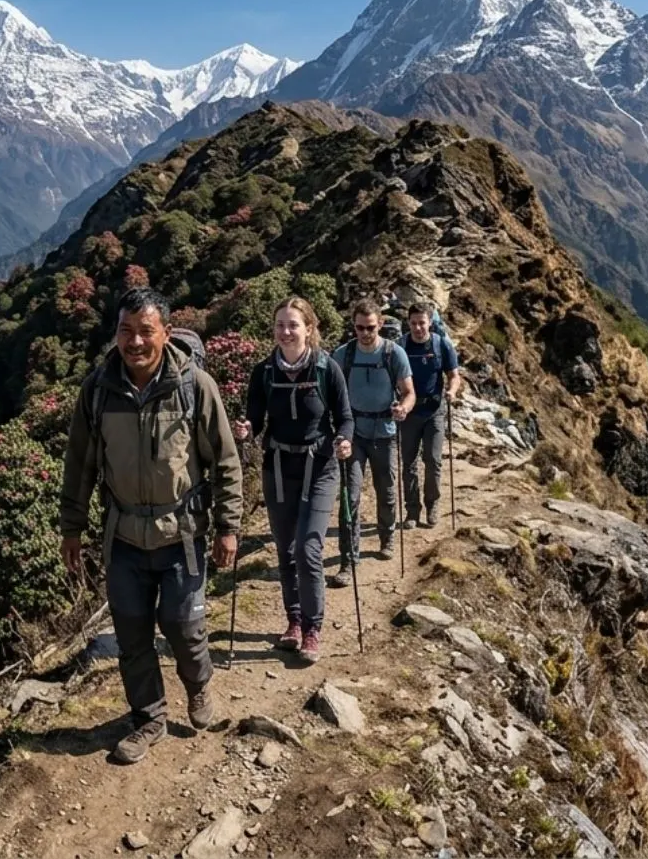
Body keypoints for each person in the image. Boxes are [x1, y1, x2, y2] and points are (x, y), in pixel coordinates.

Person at [58, 287, 243, 766]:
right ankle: (149, 718)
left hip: (180, 534)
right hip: (122, 536)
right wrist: (71, 528)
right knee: (133, 633)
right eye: (125, 331)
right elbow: (79, 464)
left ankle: (198, 685)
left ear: (165, 331)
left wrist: (228, 527)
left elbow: (225, 460)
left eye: (145, 331)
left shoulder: (194, 386)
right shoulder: (99, 390)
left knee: (183, 625)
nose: (134, 342)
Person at [233, 296, 352, 664]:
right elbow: (254, 417)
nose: (286, 332)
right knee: (285, 548)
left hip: (320, 466)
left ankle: (313, 628)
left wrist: (344, 440)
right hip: (278, 466)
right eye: (280, 325)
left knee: (308, 548)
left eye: (293, 325)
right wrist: (245, 429)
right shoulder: (264, 372)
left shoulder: (325, 368)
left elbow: (344, 416)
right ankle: (294, 621)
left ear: (309, 329)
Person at [330, 299, 414, 576]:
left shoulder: (394, 354)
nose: (365, 333)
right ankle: (348, 559)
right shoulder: (343, 355)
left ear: (380, 325)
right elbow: (329, 391)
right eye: (359, 327)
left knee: (387, 493)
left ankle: (387, 535)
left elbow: (409, 392)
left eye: (370, 328)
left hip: (385, 433)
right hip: (352, 434)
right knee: (349, 497)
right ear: (353, 326)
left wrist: (403, 407)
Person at [400, 301, 461, 528]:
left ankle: (432, 504)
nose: (418, 328)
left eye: (422, 323)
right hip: (408, 412)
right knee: (408, 463)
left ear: (430, 322)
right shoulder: (401, 346)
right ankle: (412, 511)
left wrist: (452, 391)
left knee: (433, 460)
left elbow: (453, 375)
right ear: (408, 323)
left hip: (434, 410)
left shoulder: (441, 344)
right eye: (414, 323)